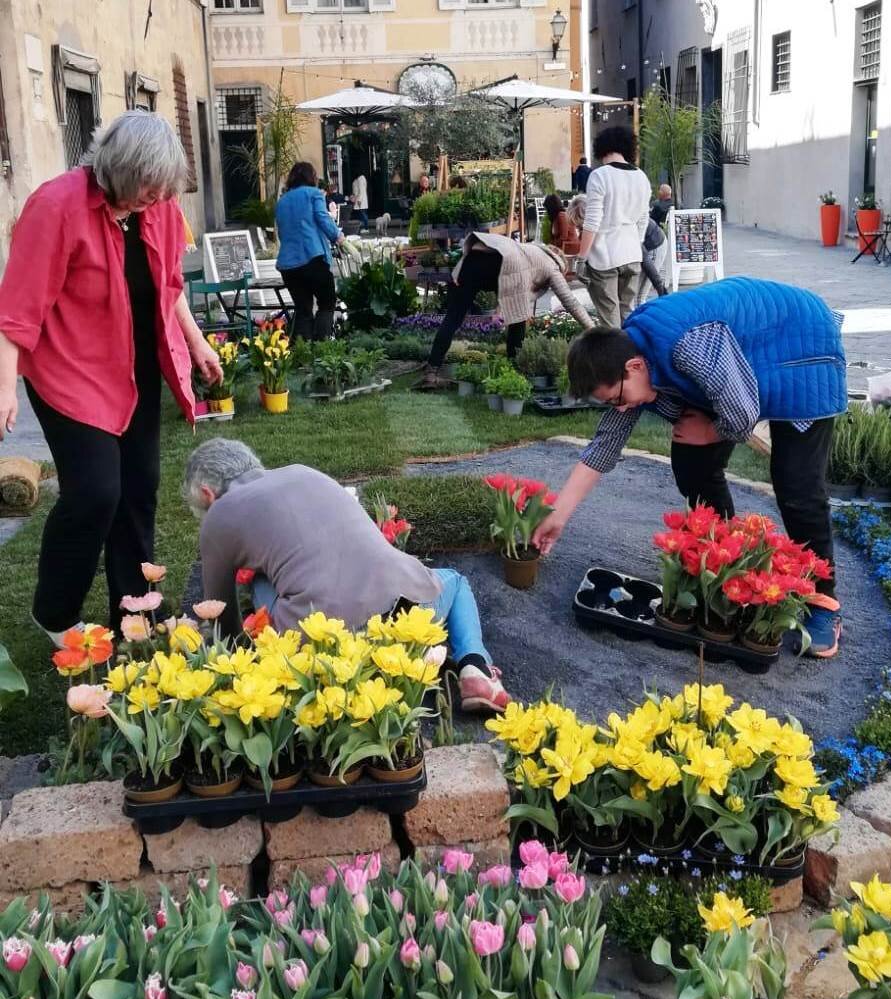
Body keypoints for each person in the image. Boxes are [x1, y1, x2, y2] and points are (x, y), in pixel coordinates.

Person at [533, 277, 848, 657]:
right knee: (692, 462)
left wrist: (710, 428)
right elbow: (605, 445)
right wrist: (559, 515)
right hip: (743, 365)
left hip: (801, 347)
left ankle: (823, 605)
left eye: (618, 398)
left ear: (634, 366)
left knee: (796, 485)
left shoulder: (687, 346)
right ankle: (726, 571)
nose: (621, 408)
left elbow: (743, 413)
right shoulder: (633, 361)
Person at [0, 110, 222, 645]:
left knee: (138, 488)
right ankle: (55, 613)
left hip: (135, 368)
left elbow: (168, 286)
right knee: (96, 492)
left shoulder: (161, 207)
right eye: (145, 188)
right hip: (70, 373)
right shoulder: (55, 207)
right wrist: (4, 388)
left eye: (162, 190)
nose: (154, 199)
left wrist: (196, 342)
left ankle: (133, 609)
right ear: (114, 169)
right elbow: (16, 311)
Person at [183, 438, 511, 711]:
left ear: (207, 494)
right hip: (409, 610)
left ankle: (359, 669)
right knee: (454, 581)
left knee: (259, 579)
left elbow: (221, 619)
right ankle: (474, 667)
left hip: (323, 645)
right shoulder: (303, 472)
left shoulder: (220, 515)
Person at [422, 234, 593, 383]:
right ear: (562, 264)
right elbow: (570, 301)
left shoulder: (532, 250)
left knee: (453, 317)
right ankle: (513, 371)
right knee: (518, 322)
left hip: (474, 259)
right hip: (499, 265)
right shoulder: (553, 267)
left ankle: (432, 370)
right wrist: (592, 328)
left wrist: (500, 309)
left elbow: (504, 287)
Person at [578, 126, 651, 329]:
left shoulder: (600, 176)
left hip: (604, 257)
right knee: (628, 315)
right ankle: (632, 357)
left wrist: (581, 258)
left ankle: (614, 360)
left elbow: (592, 221)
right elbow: (643, 219)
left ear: (602, 148)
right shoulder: (641, 177)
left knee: (610, 321)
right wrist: (635, 244)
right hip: (632, 254)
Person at [276, 162, 344, 344]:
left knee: (303, 308)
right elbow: (322, 218)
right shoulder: (314, 194)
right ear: (311, 177)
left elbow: (281, 232)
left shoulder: (282, 201)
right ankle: (322, 347)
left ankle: (302, 353)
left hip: (288, 265)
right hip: (312, 257)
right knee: (327, 301)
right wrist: (337, 236)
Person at [637, 216, 668, 304]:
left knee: (639, 296)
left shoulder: (629, 228)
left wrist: (659, 287)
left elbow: (645, 259)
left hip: (654, 244)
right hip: (644, 244)